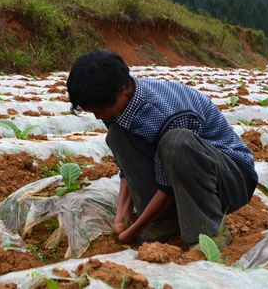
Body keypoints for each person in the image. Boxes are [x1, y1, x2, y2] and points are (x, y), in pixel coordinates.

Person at [66, 50, 257, 248]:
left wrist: (132, 231)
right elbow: (128, 169)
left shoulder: (169, 113)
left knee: (177, 142)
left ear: (123, 89)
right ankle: (167, 221)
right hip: (185, 173)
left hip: (231, 179)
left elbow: (167, 185)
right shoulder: (119, 106)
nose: (98, 117)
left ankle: (209, 231)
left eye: (100, 110)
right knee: (117, 135)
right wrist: (121, 218)